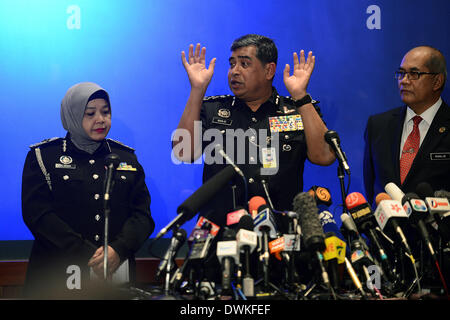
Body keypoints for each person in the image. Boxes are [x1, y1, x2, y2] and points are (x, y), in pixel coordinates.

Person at [172, 34, 335, 285]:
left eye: (244, 64)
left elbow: (324, 157)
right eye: (232, 63)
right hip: (219, 243)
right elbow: (183, 152)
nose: (234, 71)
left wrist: (301, 96)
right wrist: (196, 91)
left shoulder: (296, 109)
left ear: (269, 70)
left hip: (282, 243)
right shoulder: (213, 109)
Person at [21, 82, 154, 299]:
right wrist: (89, 254)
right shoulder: (44, 157)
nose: (100, 119)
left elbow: (142, 216)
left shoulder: (126, 158)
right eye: (90, 113)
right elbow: (38, 216)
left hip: (115, 279)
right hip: (55, 281)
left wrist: (118, 250)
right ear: (72, 115)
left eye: (106, 112)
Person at [363, 46, 449, 205]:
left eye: (414, 74)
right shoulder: (378, 125)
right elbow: (371, 187)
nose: (404, 80)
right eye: (401, 73)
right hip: (389, 228)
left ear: (437, 81)